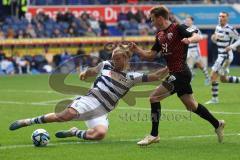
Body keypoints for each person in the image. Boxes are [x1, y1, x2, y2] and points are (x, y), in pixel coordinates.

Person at [9, 44, 169, 141]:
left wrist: (171, 67)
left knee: (100, 135)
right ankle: (27, 121)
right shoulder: (106, 65)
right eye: (113, 57)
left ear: (126, 59)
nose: (114, 60)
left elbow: (155, 76)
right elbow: (93, 71)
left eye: (118, 58)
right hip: (90, 100)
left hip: (102, 111)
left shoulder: (132, 77)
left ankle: (74, 132)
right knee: (64, 116)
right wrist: (85, 73)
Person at [130, 5, 225, 146]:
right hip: (176, 73)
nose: (152, 23)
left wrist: (189, 40)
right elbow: (151, 55)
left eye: (152, 19)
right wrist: (137, 50)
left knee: (153, 97)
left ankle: (153, 135)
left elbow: (198, 35)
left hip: (180, 72)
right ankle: (217, 123)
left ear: (160, 18)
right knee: (192, 105)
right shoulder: (160, 35)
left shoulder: (178, 28)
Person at [205, 11, 240, 104]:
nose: (221, 18)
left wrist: (232, 46)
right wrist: (213, 38)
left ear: (227, 18)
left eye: (223, 16)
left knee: (212, 76)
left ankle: (214, 99)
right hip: (221, 55)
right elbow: (216, 39)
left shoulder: (230, 29)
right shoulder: (217, 27)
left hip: (225, 56)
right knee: (223, 79)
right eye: (220, 16)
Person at [184, 16, 210, 85]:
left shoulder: (195, 28)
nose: (187, 22)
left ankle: (207, 77)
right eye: (186, 20)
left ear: (192, 21)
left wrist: (193, 39)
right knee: (188, 66)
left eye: (189, 20)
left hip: (194, 50)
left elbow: (201, 37)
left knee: (199, 65)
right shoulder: (183, 28)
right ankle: (190, 78)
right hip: (187, 50)